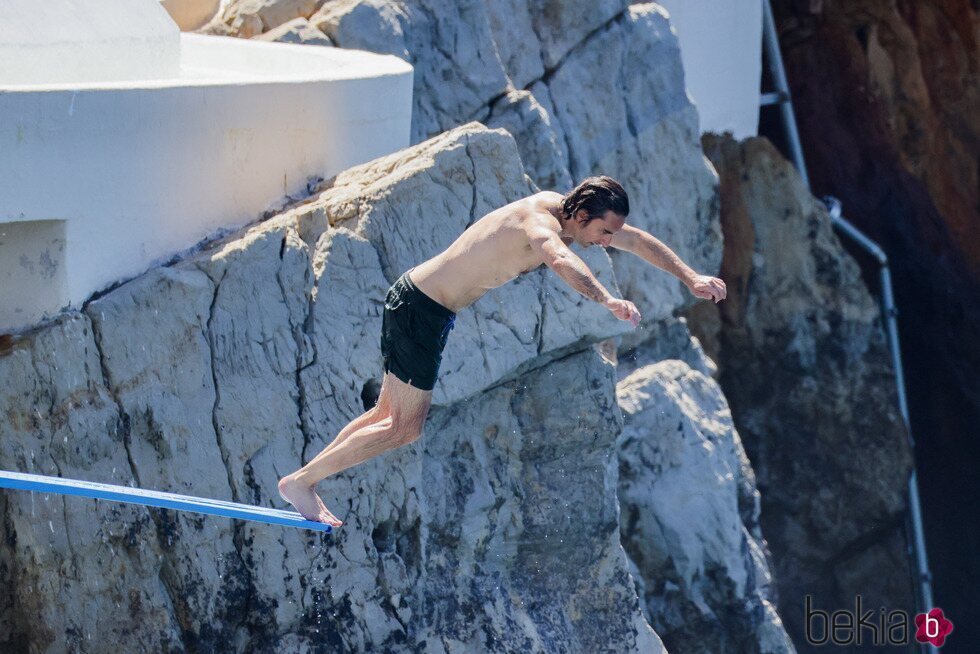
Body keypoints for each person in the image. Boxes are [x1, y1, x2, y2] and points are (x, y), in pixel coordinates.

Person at [278, 176, 727, 526]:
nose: (608, 241)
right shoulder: (540, 223)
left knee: (384, 415)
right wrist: (606, 299)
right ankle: (302, 482)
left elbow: (639, 241)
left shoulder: (569, 213)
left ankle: (304, 480)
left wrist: (690, 278)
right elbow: (560, 259)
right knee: (405, 427)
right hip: (422, 309)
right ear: (584, 213)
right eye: (604, 231)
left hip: (420, 303)